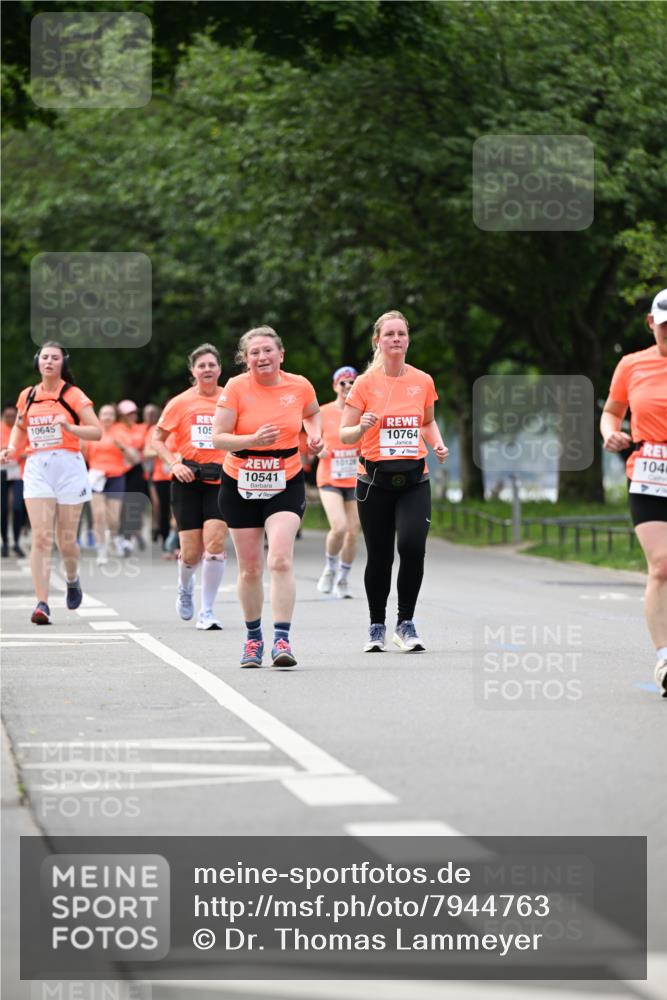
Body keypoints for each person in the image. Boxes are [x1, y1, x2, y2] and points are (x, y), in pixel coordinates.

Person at [212, 326, 323, 668]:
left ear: (281, 354)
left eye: (267, 351)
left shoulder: (300, 385)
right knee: (249, 568)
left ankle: (281, 639)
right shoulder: (235, 388)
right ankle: (253, 639)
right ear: (246, 360)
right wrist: (252, 440)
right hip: (240, 482)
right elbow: (218, 438)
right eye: (254, 353)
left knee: (280, 560)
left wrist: (316, 436)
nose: (261, 357)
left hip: (285, 480)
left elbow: (312, 413)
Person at [340, 310, 448, 653]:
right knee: (381, 555)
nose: (396, 339)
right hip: (374, 482)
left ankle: (405, 622)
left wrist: (438, 442)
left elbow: (427, 422)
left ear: (408, 339)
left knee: (413, 548)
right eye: (389, 334)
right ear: (378, 341)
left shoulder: (423, 380)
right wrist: (362, 428)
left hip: (415, 479)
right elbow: (345, 434)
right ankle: (376, 625)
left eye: (401, 333)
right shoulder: (365, 383)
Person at [0, 342, 102, 623]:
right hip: (37, 468)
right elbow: (20, 430)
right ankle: (42, 603)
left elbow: (96, 432)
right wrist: (11, 449)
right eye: (44, 357)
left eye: (54, 358)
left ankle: (72, 577)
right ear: (38, 361)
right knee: (42, 537)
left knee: (65, 540)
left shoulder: (73, 394)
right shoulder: (28, 395)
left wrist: (70, 426)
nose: (49, 362)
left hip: (68, 467)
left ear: (62, 363)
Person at [601, 288, 667, 698]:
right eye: (665, 327)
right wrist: (611, 433)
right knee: (661, 566)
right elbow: (611, 412)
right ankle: (665, 657)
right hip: (649, 472)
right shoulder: (632, 364)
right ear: (651, 324)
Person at [152, 344, 229, 630]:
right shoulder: (180, 402)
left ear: (219, 369)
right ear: (193, 371)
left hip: (221, 480)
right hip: (188, 480)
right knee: (191, 552)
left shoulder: (230, 399)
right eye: (201, 365)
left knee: (215, 543)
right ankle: (185, 587)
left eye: (212, 364)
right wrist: (174, 464)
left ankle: (207, 610)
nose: (207, 369)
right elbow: (157, 438)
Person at [316, 366, 361, 598]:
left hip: (354, 478)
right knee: (339, 526)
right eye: (343, 382)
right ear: (335, 386)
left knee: (353, 531)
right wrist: (318, 448)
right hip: (329, 477)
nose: (347, 387)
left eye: (352, 382)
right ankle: (330, 568)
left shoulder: (361, 413)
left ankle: (343, 577)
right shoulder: (323, 412)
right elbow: (309, 439)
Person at [84, 403, 140, 565]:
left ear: (115, 417)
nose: (107, 417)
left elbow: (134, 459)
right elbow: (84, 455)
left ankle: (116, 538)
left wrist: (122, 448)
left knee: (113, 518)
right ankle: (102, 551)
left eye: (110, 414)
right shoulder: (93, 431)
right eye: (104, 414)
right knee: (99, 515)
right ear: (99, 416)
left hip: (116, 476)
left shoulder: (121, 432)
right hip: (96, 476)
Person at [116, 399, 148, 553]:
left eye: (134, 413)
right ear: (122, 415)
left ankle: (130, 535)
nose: (132, 416)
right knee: (121, 507)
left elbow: (142, 449)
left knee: (135, 503)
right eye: (129, 414)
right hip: (119, 470)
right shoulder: (117, 428)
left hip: (136, 469)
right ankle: (125, 535)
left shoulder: (140, 428)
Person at [1, 404, 26, 557]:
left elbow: (31, 447)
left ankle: (16, 542)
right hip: (2, 471)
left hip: (19, 471)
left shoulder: (22, 429)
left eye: (13, 416)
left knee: (17, 507)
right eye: (7, 416)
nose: (10, 419)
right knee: (2, 509)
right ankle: (4, 542)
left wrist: (23, 454)